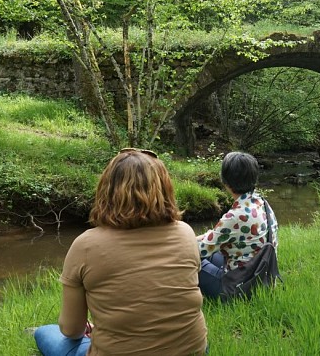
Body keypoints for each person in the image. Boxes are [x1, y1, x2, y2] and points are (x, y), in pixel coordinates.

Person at [33, 148, 208, 356]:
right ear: (165, 189)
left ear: (106, 190)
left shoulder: (86, 245)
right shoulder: (186, 233)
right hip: (193, 351)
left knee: (45, 333)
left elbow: (71, 330)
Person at [197, 151, 279, 299]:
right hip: (262, 276)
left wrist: (181, 243)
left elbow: (199, 251)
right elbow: (216, 239)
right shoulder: (262, 203)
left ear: (225, 181)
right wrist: (201, 237)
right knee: (212, 253)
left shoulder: (235, 216)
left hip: (239, 287)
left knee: (189, 260)